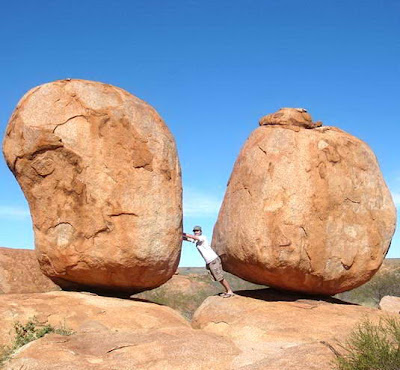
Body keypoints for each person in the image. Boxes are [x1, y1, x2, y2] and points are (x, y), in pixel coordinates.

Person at [183, 225, 234, 298]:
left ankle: (229, 291)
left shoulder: (202, 238)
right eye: (194, 231)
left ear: (200, 231)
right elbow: (188, 239)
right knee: (217, 277)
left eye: (197, 231)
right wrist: (180, 236)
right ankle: (227, 290)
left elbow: (192, 237)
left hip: (213, 260)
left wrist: (182, 233)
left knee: (219, 277)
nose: (196, 232)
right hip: (209, 262)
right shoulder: (197, 241)